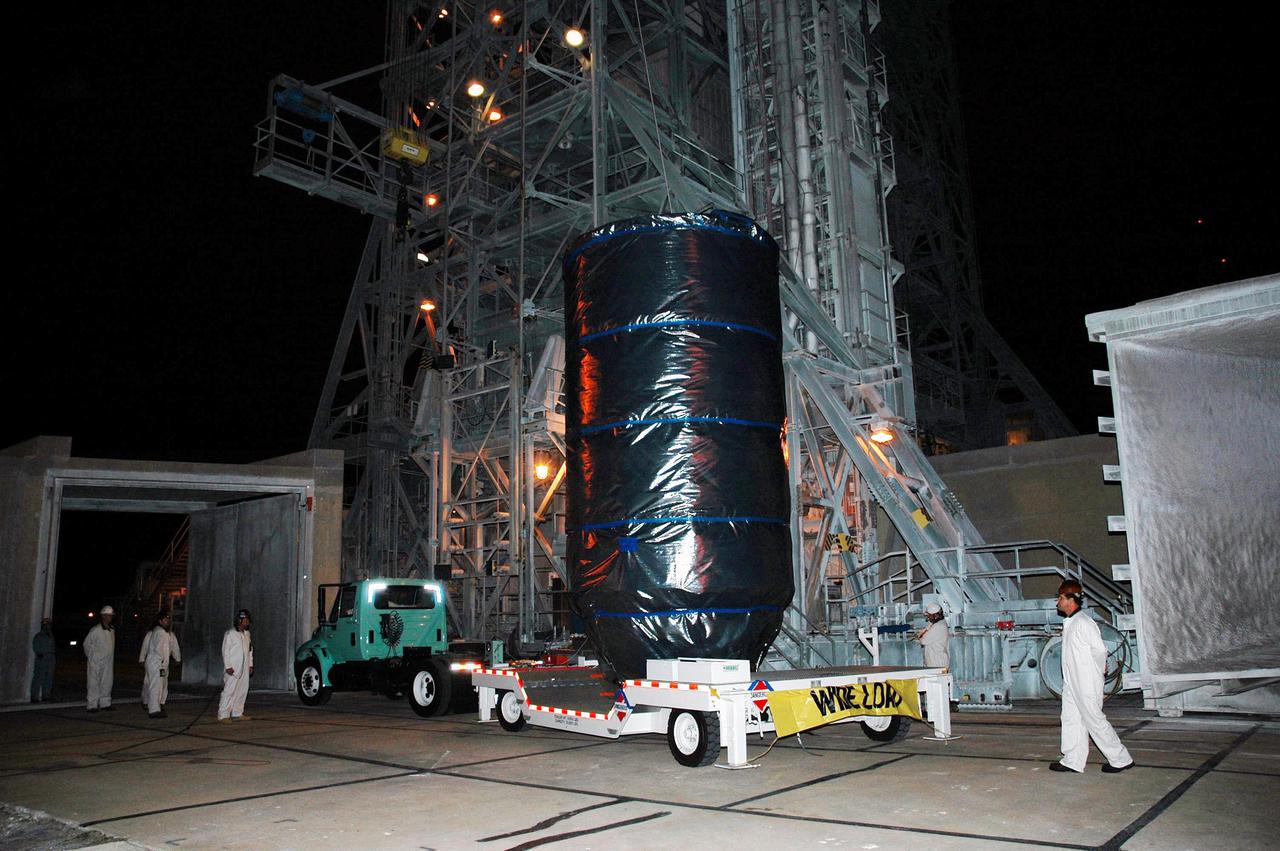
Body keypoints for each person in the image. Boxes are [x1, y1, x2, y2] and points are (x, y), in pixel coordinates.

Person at [1049, 579, 1134, 774]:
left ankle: (1121, 759)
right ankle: (1073, 760)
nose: (1057, 602)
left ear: (1071, 600)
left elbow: (1099, 651)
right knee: (1071, 718)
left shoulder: (1084, 623)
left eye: (1060, 598)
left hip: (1085, 681)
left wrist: (1096, 675)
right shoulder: (1071, 622)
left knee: (1094, 719)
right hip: (1072, 681)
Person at [139, 610, 182, 718]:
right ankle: (153, 710)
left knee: (161, 685)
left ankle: (158, 705)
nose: (167, 621)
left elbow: (173, 647)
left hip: (160, 663)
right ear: (160, 620)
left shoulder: (166, 633)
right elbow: (159, 649)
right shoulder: (159, 632)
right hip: (157, 663)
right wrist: (162, 662)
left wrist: (176, 658)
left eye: (168, 619)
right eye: (165, 619)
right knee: (155, 686)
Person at [217, 609, 254, 722]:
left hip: (244, 669)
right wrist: (228, 666)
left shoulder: (247, 634)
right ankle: (223, 714)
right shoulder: (230, 634)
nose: (247, 622)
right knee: (229, 691)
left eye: (248, 620)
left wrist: (250, 665)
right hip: (233, 669)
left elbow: (250, 650)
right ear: (239, 620)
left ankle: (237, 712)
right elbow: (225, 651)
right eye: (245, 620)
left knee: (242, 690)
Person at [84, 605, 116, 712]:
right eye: (108, 615)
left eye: (111, 616)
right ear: (103, 616)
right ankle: (92, 704)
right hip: (96, 661)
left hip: (108, 662)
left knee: (107, 682)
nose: (110, 618)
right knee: (93, 682)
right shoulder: (96, 630)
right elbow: (87, 644)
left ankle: (105, 703)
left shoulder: (111, 630)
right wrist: (93, 657)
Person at [916, 602, 950, 669]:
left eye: (929, 615)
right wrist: (921, 634)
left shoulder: (939, 626)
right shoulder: (936, 624)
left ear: (936, 615)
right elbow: (920, 634)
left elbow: (923, 640)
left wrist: (921, 635)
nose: (928, 617)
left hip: (937, 663)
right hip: (934, 663)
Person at [31, 617, 56, 702]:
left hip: (50, 657)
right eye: (46, 624)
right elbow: (35, 647)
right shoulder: (39, 636)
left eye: (49, 624)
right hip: (42, 657)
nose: (48, 626)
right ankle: (34, 696)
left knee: (49, 678)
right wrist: (40, 654)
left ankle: (46, 695)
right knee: (38, 677)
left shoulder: (51, 635)